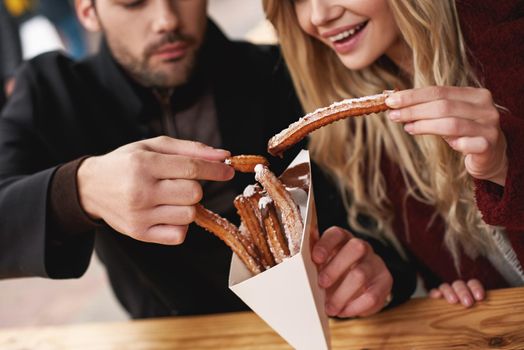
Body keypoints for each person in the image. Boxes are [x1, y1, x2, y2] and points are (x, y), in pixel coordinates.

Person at [0, 0, 415, 319]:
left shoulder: (277, 71)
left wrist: (379, 273)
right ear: (88, 12)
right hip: (169, 335)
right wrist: (80, 188)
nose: (166, 20)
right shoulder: (52, 95)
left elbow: (376, 217)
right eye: (133, 2)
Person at [263, 0, 524, 308]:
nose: (320, 15)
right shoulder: (356, 130)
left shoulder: (509, 38)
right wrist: (442, 291)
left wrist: (503, 166)